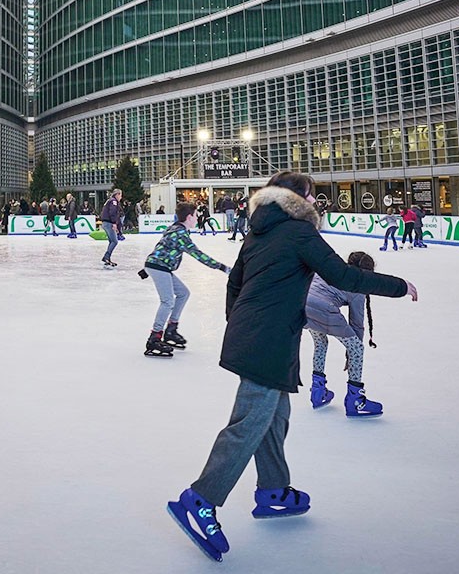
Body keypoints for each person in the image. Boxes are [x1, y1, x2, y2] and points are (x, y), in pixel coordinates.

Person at [167, 171, 416, 562]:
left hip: (261, 335)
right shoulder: (301, 233)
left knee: (274, 416)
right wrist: (399, 286)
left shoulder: (258, 232)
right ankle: (200, 498)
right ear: (299, 198)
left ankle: (273, 490)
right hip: (267, 340)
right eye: (313, 196)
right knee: (250, 421)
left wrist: (242, 323)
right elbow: (344, 276)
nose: (316, 203)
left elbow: (236, 282)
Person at [305, 251, 391, 417]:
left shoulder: (332, 269)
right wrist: (351, 354)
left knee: (320, 342)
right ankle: (355, 401)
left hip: (302, 304)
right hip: (324, 308)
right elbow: (357, 325)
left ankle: (317, 391)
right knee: (357, 348)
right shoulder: (358, 286)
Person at [142, 203, 230, 358]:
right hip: (158, 266)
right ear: (189, 217)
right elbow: (198, 255)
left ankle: (171, 329)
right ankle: (154, 338)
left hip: (159, 266)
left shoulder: (175, 228)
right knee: (167, 301)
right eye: (196, 216)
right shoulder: (180, 234)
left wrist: (147, 268)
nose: (197, 219)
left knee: (183, 293)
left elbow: (161, 247)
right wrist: (222, 267)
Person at [99, 188, 123, 267]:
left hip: (106, 222)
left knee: (111, 241)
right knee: (114, 241)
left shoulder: (110, 200)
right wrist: (114, 223)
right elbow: (112, 212)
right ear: (117, 194)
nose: (121, 197)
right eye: (120, 195)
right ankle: (106, 257)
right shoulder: (114, 201)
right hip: (109, 223)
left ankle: (107, 259)